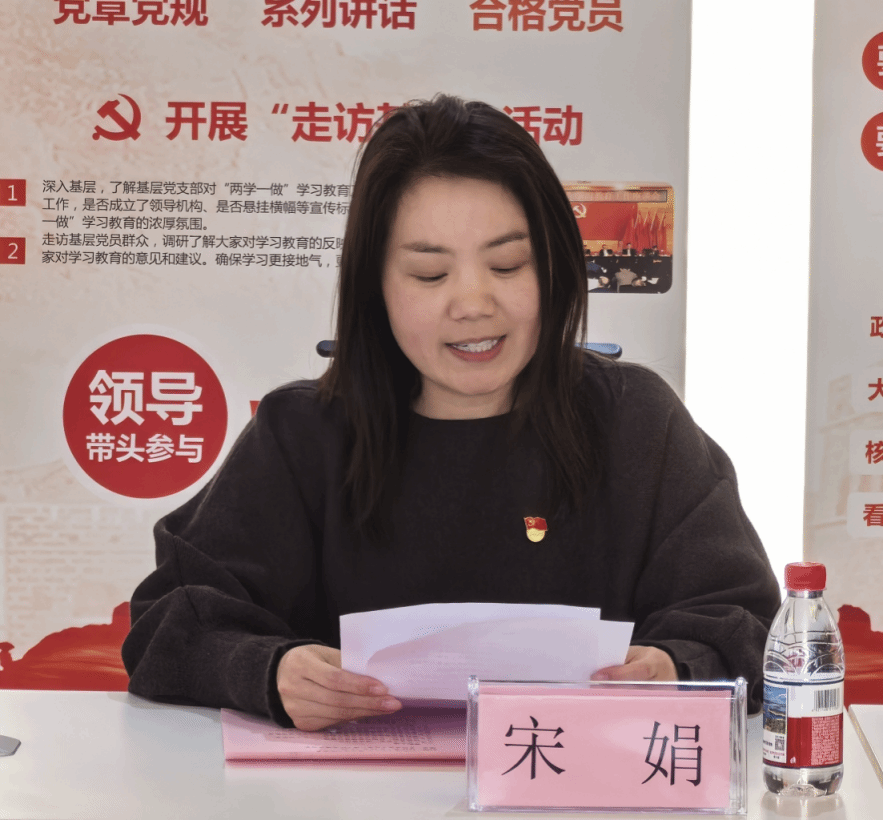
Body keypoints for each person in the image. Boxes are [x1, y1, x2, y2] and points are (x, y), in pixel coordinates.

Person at [123, 95, 780, 731]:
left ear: (554, 267)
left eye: (507, 264)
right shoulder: (302, 435)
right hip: (346, 791)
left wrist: (675, 668)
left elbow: (745, 622)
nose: (472, 303)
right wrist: (269, 671)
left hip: (581, 784)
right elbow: (165, 624)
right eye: (430, 275)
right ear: (375, 285)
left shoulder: (636, 423)